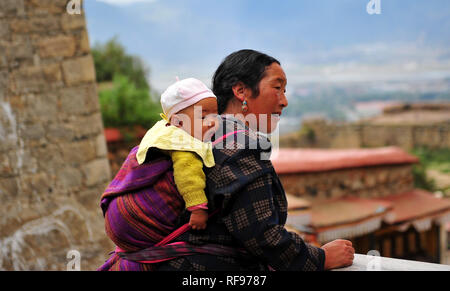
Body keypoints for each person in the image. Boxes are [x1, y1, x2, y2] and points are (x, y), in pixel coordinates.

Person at [152, 49, 355, 271]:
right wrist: (321, 258)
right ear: (241, 91)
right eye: (277, 88)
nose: (284, 101)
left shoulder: (199, 134)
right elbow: (261, 235)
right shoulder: (241, 143)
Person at [97, 78, 219, 271]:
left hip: (118, 218)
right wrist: (198, 209)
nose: (213, 122)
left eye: (216, 115)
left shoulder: (162, 131)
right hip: (139, 222)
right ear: (178, 122)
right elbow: (189, 179)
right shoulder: (185, 146)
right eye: (204, 117)